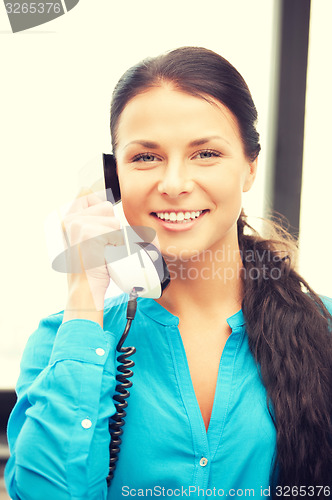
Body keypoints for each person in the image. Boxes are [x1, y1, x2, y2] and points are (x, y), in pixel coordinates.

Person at [5, 46, 332, 500]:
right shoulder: (66, 341)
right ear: (111, 180)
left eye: (206, 154)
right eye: (145, 158)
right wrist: (85, 293)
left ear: (250, 167)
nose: (174, 184)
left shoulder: (325, 329)